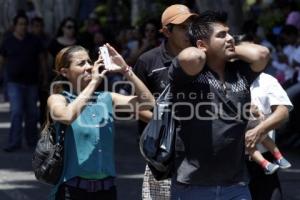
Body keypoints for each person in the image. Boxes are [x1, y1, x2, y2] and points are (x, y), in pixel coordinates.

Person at [168, 11, 270, 199]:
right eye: (222, 35)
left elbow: (261, 54)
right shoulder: (190, 74)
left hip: (236, 184)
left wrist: (228, 47)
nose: (231, 38)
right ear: (201, 45)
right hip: (193, 185)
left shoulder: (240, 71)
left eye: (230, 33)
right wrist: (208, 50)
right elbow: (191, 57)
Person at [47, 44, 154, 200]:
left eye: (89, 62)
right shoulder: (58, 99)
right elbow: (67, 116)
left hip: (107, 190)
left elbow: (148, 102)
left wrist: (125, 70)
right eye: (81, 63)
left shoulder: (106, 98)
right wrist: (93, 83)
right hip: (72, 191)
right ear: (65, 72)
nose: (89, 67)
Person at [133, 4, 197, 199]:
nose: (190, 32)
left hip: (199, 156)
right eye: (183, 28)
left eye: (192, 26)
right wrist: (168, 123)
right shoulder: (148, 61)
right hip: (163, 157)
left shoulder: (202, 58)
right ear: (167, 32)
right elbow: (137, 106)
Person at [0, 13, 46, 152]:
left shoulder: (34, 40)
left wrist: (44, 76)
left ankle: (32, 142)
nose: (23, 26)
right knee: (16, 112)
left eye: (25, 24)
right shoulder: (8, 41)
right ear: (15, 26)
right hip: (14, 82)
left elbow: (42, 59)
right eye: (20, 24)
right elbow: (2, 61)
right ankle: (14, 142)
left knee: (32, 113)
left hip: (32, 82)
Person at [246, 72, 293, 199]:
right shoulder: (213, 77)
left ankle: (278, 158)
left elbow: (283, 112)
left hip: (262, 160)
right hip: (226, 163)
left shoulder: (265, 79)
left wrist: (259, 130)